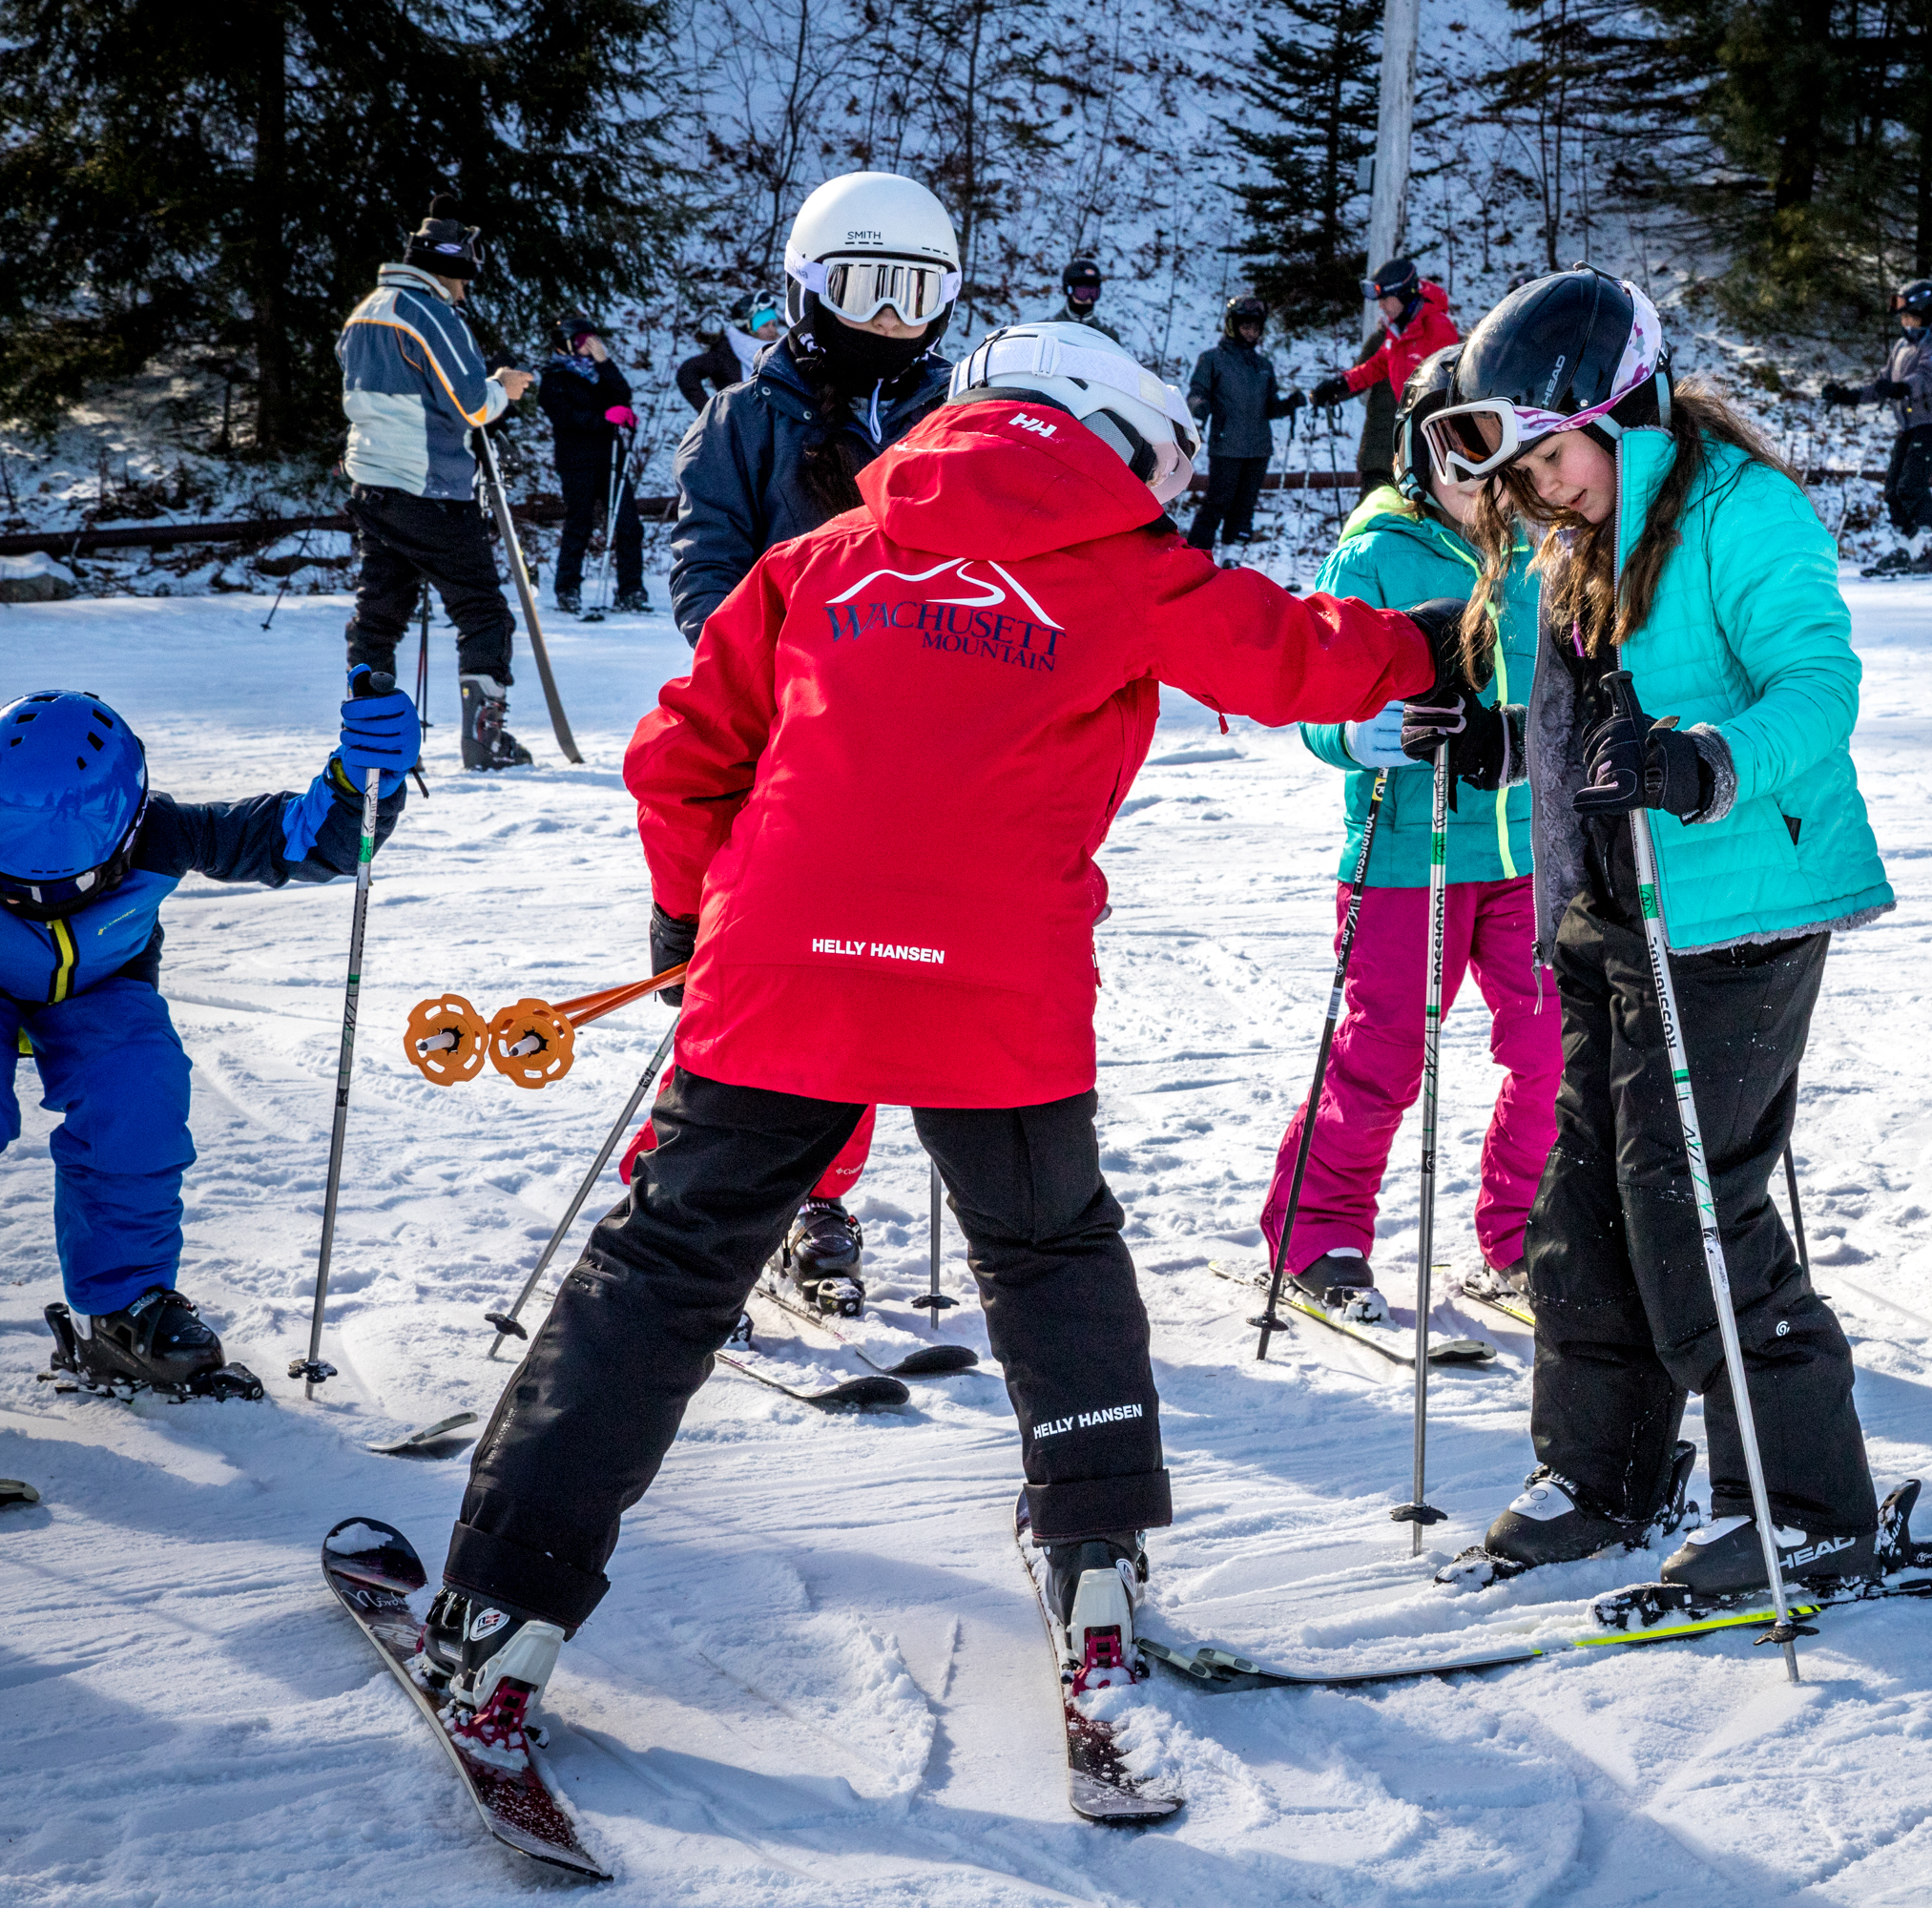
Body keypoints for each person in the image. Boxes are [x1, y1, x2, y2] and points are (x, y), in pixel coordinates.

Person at [416, 322, 1445, 1760]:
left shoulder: (824, 558)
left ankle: (495, 1611)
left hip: (782, 969)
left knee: (665, 1270)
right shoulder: (1133, 567)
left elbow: (678, 759)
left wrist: (686, 925)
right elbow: (1302, 663)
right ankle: (1097, 1570)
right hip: (995, 991)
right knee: (1049, 1252)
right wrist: (1449, 640)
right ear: (1121, 441)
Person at [1406, 270, 1897, 1596]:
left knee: (1689, 1204)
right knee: (1582, 1209)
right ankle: (1606, 1468)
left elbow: (1819, 691)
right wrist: (1503, 744)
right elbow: (1593, 740)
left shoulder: (1747, 513)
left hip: (1742, 908)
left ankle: (1808, 1506)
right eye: (1524, 469)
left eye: (1553, 456)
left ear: (1621, 414)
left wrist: (1703, 762)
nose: (1543, 489)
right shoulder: (1585, 544)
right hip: (1609, 905)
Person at [662, 170, 962, 1306]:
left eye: (915, 292)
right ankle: (698, 1212)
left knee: (872, 980)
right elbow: (706, 574)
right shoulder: (746, 419)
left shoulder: (958, 419)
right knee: (755, 981)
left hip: (914, 755)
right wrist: (774, 672)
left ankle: (821, 1198)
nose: (892, 315)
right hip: (783, 744)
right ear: (807, 288)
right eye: (867, 287)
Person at [4, 673, 420, 1400]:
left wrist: (358, 786)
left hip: (102, 993)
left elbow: (294, 838)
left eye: (70, 885)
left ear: (130, 828)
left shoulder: (164, 830)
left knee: (139, 1090)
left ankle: (125, 1315)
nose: (39, 906)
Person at [1261, 345, 1552, 1316]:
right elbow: (1309, 692)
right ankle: (1318, 1237)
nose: (1477, 475)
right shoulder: (1377, 550)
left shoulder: (1549, 546)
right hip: (1406, 854)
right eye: (1453, 449)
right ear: (1418, 453)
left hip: (1522, 851)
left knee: (1553, 1045)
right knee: (1382, 1053)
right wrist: (1359, 729)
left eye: (1495, 447)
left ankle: (1524, 1237)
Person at [335, 194, 536, 770]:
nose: (465, 292)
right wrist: (505, 387)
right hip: (431, 488)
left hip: (372, 482)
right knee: (482, 611)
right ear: (446, 269)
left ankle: (370, 739)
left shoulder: (366, 310)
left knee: (379, 613)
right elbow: (472, 402)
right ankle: (485, 739)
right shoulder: (427, 311)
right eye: (463, 279)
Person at [1822, 280, 1932, 571]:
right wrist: (1850, 396)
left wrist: (1900, 389)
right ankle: (1910, 548)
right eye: (1903, 317)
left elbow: (1928, 378)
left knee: (1911, 486)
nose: (1906, 322)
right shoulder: (1901, 345)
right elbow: (1884, 384)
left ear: (1927, 312)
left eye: (1911, 316)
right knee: (1893, 490)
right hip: (1909, 424)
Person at [1310, 259, 1459, 493]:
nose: (1381, 306)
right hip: (1407, 436)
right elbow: (1376, 366)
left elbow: (1453, 386)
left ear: (1403, 295)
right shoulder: (1399, 330)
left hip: (1430, 442)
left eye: (1385, 299)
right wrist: (1339, 384)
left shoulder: (1436, 328)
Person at [536, 313, 647, 620]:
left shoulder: (598, 373)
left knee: (628, 525)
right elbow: (565, 418)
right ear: (568, 343)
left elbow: (622, 394)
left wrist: (605, 364)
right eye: (584, 341)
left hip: (611, 457)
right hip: (577, 461)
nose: (591, 345)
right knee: (579, 524)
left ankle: (631, 589)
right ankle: (567, 589)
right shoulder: (554, 379)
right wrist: (603, 419)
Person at [1183, 294, 1305, 553]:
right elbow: (1197, 392)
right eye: (1245, 325)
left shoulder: (1263, 365)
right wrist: (1198, 413)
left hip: (1258, 449)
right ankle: (1195, 557)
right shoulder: (1213, 359)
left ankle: (1232, 559)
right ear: (1232, 325)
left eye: (1255, 327)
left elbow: (1270, 408)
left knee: (1245, 506)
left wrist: (1289, 404)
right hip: (1227, 445)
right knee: (1217, 502)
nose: (1250, 332)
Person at [675, 301, 782, 413]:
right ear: (749, 327)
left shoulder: (781, 351)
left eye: (774, 324)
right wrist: (710, 412)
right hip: (741, 427)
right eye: (765, 325)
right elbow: (687, 371)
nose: (772, 330)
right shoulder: (727, 353)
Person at [1049, 258, 1116, 339]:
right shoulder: (1047, 331)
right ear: (1069, 291)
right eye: (1082, 292)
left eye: (1093, 293)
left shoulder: (1107, 337)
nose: (1089, 299)